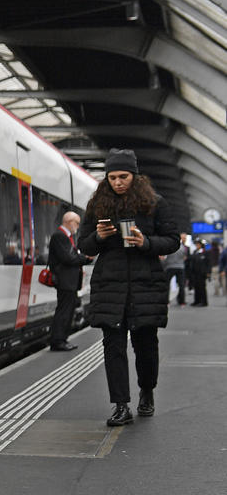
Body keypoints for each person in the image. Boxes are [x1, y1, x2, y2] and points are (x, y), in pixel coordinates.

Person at [78, 149, 179, 426]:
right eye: (112, 177)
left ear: (134, 176)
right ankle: (121, 405)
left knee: (146, 346)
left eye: (123, 176)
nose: (118, 182)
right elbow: (82, 244)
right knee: (113, 348)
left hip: (145, 285)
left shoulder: (155, 203)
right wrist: (98, 237)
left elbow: (172, 240)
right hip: (110, 286)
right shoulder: (97, 205)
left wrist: (145, 243)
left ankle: (146, 391)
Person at [47, 211, 86, 351]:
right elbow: (69, 258)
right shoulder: (59, 236)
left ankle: (62, 339)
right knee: (64, 311)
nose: (77, 226)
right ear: (69, 222)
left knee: (67, 311)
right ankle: (58, 341)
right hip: (65, 281)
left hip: (69, 282)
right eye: (76, 223)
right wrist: (85, 258)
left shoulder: (65, 237)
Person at [162, 236, 187, 307]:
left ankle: (166, 301)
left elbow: (165, 258)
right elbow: (185, 257)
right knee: (181, 285)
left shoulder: (170, 247)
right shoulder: (183, 248)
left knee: (167, 285)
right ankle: (182, 302)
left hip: (170, 267)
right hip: (180, 267)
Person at [186, 240, 209, 307]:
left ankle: (204, 302)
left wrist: (208, 272)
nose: (197, 246)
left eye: (198, 244)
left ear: (201, 245)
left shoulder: (205, 253)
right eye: (196, 244)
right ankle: (197, 301)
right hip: (194, 273)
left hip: (202, 273)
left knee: (202, 288)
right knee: (196, 287)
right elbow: (191, 260)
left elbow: (208, 263)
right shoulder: (195, 252)